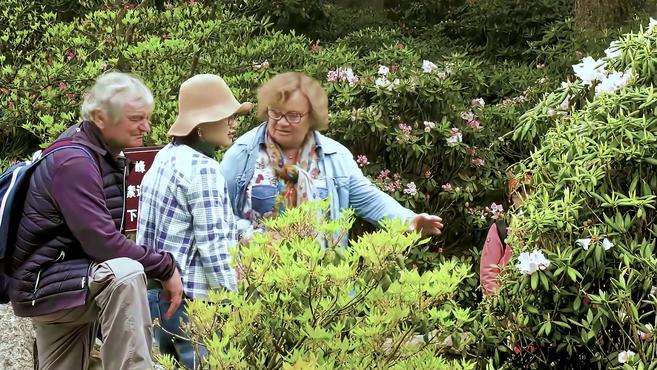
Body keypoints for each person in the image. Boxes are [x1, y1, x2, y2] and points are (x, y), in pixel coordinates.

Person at [7, 71, 183, 369]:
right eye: (137, 118)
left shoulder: (93, 150)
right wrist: (165, 267)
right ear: (101, 117)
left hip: (59, 282)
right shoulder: (75, 162)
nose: (146, 127)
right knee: (124, 274)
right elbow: (103, 243)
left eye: (147, 117)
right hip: (49, 284)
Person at [220, 72, 444, 243]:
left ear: (312, 117)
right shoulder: (242, 154)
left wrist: (409, 220)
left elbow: (369, 199)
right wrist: (253, 238)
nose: (281, 122)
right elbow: (218, 215)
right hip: (259, 281)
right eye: (275, 112)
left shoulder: (335, 156)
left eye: (293, 116)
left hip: (323, 284)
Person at [137, 74, 252, 369]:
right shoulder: (204, 169)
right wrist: (234, 303)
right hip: (194, 303)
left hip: (157, 296)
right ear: (200, 127)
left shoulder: (166, 157)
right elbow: (213, 248)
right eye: (226, 117)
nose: (233, 124)